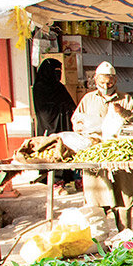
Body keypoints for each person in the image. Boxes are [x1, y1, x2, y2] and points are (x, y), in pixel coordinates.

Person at [72, 61, 133, 231]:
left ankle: (125, 233)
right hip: (96, 150)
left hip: (120, 151)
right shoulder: (88, 99)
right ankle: (98, 234)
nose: (105, 86)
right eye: (102, 83)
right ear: (95, 80)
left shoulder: (125, 99)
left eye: (109, 83)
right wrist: (80, 126)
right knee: (96, 193)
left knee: (124, 192)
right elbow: (76, 120)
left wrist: (123, 112)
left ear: (115, 80)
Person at [32, 58, 79, 192]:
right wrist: (61, 108)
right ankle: (54, 179)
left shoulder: (59, 87)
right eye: (55, 71)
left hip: (63, 123)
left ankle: (67, 177)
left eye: (60, 71)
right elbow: (43, 110)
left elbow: (70, 104)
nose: (58, 74)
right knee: (51, 149)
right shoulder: (40, 87)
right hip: (49, 125)